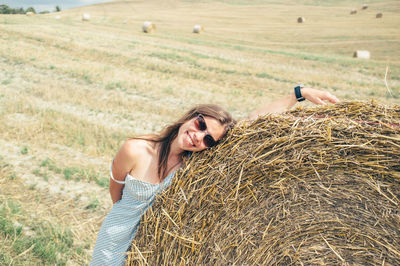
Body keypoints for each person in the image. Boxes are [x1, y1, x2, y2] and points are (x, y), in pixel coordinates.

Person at [90, 86, 339, 265]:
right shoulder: (134, 149)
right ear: (190, 116)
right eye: (200, 125)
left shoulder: (195, 165)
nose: (199, 136)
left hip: (158, 248)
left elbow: (252, 123)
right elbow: (117, 195)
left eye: (208, 139)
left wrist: (299, 93)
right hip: (115, 240)